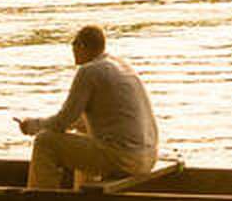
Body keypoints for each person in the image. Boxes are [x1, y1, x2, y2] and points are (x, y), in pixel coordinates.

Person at [18, 23, 159, 190]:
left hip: (123, 159)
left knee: (45, 142)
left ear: (82, 46)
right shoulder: (120, 65)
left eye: (74, 44)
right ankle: (84, 197)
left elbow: (62, 121)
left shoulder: (89, 71)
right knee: (84, 131)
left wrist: (32, 126)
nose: (72, 50)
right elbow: (78, 121)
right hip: (148, 157)